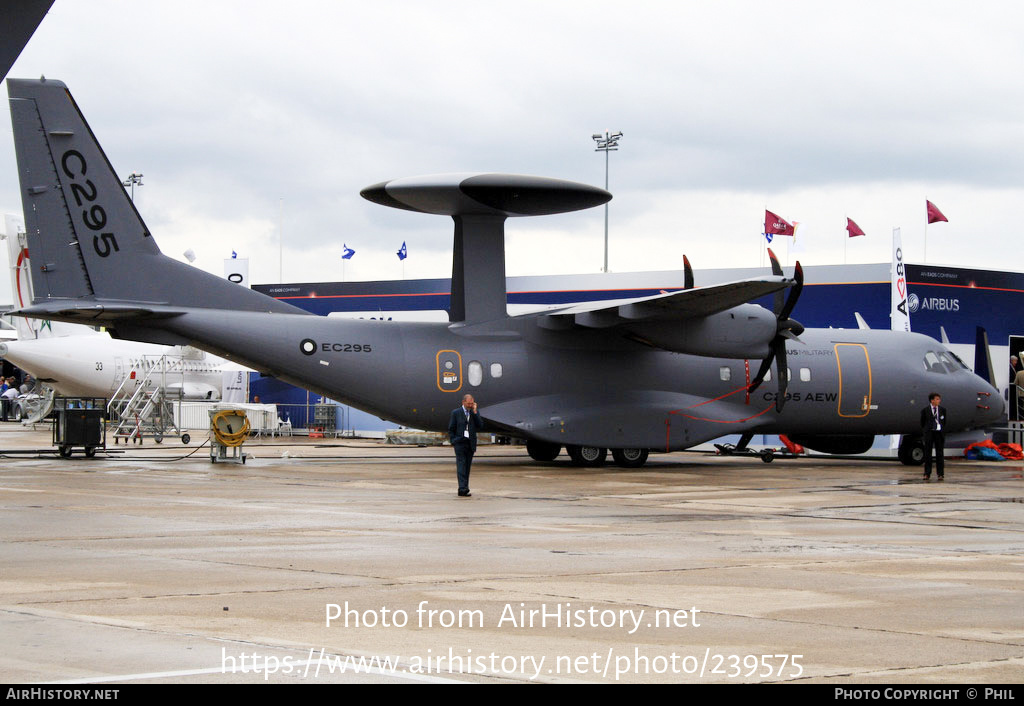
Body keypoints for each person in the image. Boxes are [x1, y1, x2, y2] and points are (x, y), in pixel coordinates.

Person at [448, 394, 482, 497]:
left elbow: (480, 425)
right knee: (461, 465)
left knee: (467, 467)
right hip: (460, 443)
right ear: (463, 402)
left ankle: (465, 487)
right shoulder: (456, 413)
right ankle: (462, 488)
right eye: (468, 403)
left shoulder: (473, 413)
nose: (470, 405)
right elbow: (451, 428)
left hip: (470, 443)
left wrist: (475, 411)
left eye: (472, 403)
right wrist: (454, 441)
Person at [920, 392, 946, 480]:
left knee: (940, 454)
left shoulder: (942, 410)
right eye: (937, 399)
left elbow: (944, 422)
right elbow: (922, 423)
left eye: (939, 399)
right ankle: (927, 473)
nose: (939, 401)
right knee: (928, 454)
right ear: (932, 400)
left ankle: (940, 474)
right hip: (929, 433)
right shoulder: (925, 410)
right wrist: (926, 431)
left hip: (938, 433)